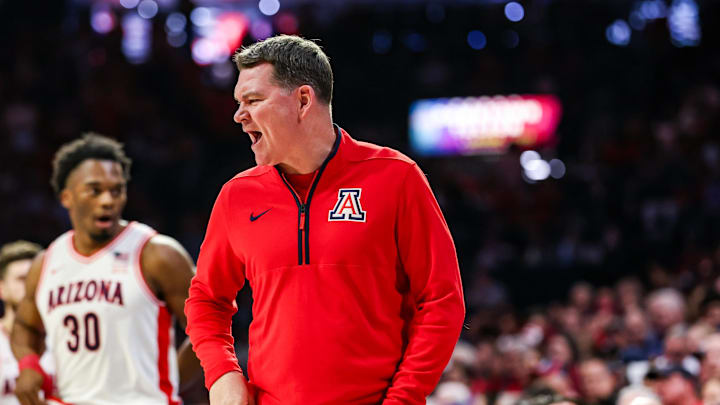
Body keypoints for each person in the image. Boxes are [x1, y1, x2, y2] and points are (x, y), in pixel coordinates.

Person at [184, 34, 465, 404]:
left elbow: (442, 300)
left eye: (253, 100)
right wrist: (222, 374)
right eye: (239, 103)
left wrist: (404, 398)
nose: (239, 116)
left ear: (302, 100)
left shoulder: (396, 176)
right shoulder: (237, 196)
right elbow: (206, 300)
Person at [11, 134, 202, 405]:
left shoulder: (157, 253)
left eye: (116, 190)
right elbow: (25, 326)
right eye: (95, 190)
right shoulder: (46, 262)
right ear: (67, 197)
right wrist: (29, 364)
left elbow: (210, 328)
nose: (108, 200)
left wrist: (171, 382)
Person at [0, 241, 54, 404]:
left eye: (35, 279)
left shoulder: (65, 337)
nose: (31, 286)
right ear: (1, 288)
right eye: (22, 279)